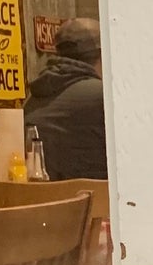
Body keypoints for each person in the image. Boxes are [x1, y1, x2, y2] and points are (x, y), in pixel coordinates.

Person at [24, 17, 107, 180]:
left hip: (44, 201)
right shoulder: (104, 98)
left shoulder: (32, 99)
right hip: (97, 202)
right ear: (103, 54)